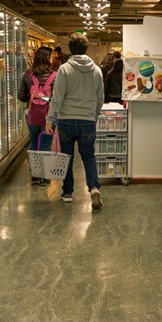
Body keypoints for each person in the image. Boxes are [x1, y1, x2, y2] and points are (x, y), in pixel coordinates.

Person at [45, 32, 104, 209]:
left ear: (70, 49)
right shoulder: (96, 70)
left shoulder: (64, 69)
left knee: (67, 156)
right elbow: (100, 98)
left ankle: (68, 192)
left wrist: (50, 119)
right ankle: (93, 187)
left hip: (66, 120)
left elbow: (57, 97)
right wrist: (94, 115)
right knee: (89, 156)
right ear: (86, 48)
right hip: (87, 120)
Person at [18, 46, 56, 185]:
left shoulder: (28, 74)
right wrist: (45, 99)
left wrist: (33, 99)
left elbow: (21, 95)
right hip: (49, 115)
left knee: (34, 142)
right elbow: (56, 99)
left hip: (32, 114)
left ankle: (35, 175)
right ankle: (44, 177)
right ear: (48, 58)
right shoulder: (55, 76)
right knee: (45, 144)